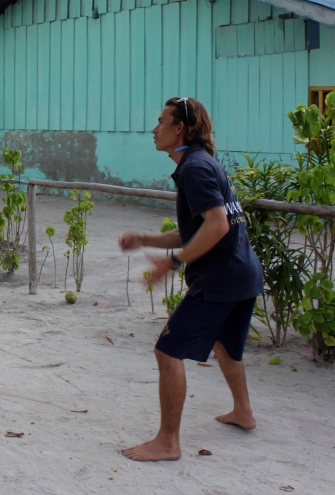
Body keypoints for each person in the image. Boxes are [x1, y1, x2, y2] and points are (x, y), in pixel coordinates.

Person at [118, 97, 263, 462]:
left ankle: (168, 442)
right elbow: (197, 231)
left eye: (161, 121)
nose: (154, 129)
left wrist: (173, 264)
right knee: (225, 347)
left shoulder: (194, 169)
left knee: (167, 351)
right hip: (242, 274)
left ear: (179, 128)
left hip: (220, 279)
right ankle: (243, 413)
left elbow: (217, 224)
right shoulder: (202, 163)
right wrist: (146, 239)